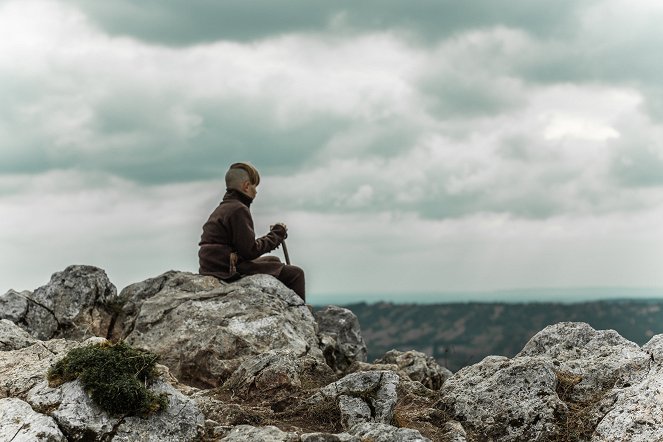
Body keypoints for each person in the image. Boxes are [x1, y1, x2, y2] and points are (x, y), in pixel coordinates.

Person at [198, 162, 306, 301]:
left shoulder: (225, 207)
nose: (256, 191)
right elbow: (249, 251)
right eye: (255, 186)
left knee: (274, 260)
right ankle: (300, 316)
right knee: (296, 274)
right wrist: (277, 234)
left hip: (215, 265)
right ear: (246, 186)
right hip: (227, 270)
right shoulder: (239, 209)